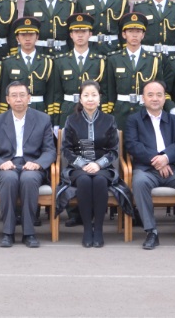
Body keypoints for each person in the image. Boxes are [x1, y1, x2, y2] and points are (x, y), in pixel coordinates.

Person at [126, 80, 175, 250]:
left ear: (164, 98)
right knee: (139, 182)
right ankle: (151, 232)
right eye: (150, 95)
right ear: (143, 98)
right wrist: (158, 160)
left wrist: (166, 158)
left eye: (159, 95)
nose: (155, 98)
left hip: (173, 168)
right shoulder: (134, 120)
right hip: (146, 169)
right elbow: (132, 145)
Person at [0, 81, 57, 248]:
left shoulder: (43, 119)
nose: (18, 99)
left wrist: (38, 164)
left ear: (29, 98)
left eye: (22, 95)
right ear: (7, 99)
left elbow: (50, 150)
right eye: (14, 96)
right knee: (9, 179)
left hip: (32, 165)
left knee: (29, 179)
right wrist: (1, 163)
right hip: (7, 165)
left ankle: (29, 233)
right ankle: (7, 232)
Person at [56, 80, 130, 248]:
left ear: (99, 98)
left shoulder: (109, 120)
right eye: (86, 95)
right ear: (80, 99)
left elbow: (114, 150)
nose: (90, 99)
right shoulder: (71, 120)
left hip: (103, 167)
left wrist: (98, 164)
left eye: (94, 95)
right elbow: (66, 149)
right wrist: (82, 164)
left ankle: (99, 229)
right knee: (83, 180)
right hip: (78, 167)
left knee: (99, 181)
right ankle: (87, 229)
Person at [104, 12, 160, 132]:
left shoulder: (153, 59)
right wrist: (109, 110)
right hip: (121, 111)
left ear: (143, 35)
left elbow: (160, 86)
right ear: (124, 34)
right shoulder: (114, 59)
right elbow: (109, 88)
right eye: (130, 31)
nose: (134, 35)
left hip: (145, 110)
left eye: (138, 31)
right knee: (120, 141)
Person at [51, 13, 108, 127]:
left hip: (93, 111)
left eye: (84, 31)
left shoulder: (100, 61)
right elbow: (56, 94)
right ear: (71, 35)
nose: (80, 35)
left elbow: (104, 93)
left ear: (90, 34)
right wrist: (56, 123)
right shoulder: (60, 61)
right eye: (76, 32)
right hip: (68, 110)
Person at [0, 17, 56, 121]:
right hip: (16, 111)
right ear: (17, 38)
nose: (27, 39)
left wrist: (50, 117)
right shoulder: (8, 63)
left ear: (37, 37)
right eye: (23, 35)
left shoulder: (47, 62)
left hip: (40, 110)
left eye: (31, 34)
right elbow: (4, 92)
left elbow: (51, 93)